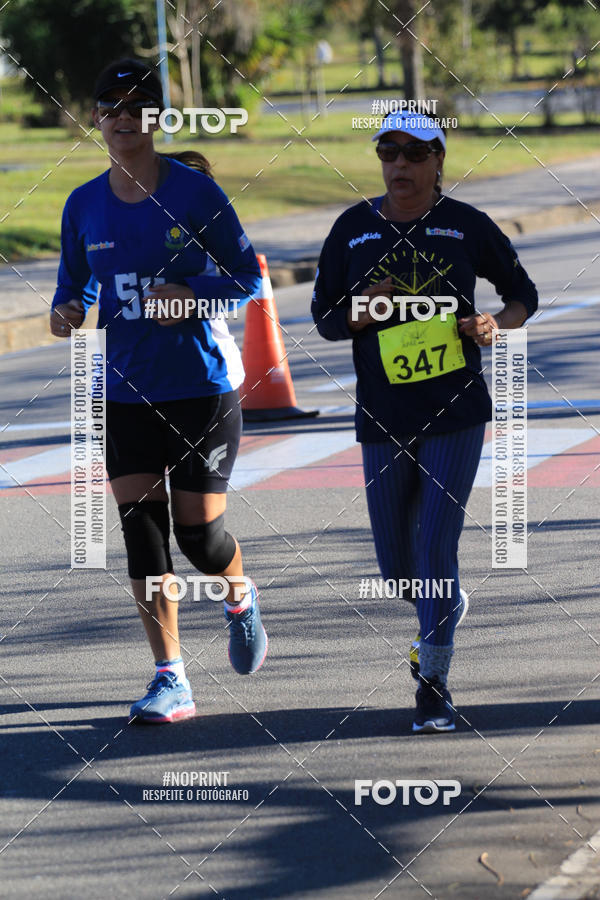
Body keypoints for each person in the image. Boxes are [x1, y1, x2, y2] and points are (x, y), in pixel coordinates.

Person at [50, 58, 268, 724]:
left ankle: (239, 596)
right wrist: (65, 311)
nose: (123, 116)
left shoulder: (197, 195)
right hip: (124, 393)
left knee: (199, 538)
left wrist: (189, 294)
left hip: (201, 388)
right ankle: (170, 677)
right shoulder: (82, 204)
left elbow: (248, 278)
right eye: (110, 105)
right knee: (143, 537)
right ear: (96, 118)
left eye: (137, 104)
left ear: (157, 118)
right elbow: (73, 285)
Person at [311, 111, 537, 733]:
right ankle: (445, 602)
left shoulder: (466, 224)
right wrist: (360, 312)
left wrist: (495, 325)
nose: (401, 165)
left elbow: (522, 293)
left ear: (439, 160)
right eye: (389, 152)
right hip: (383, 415)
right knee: (396, 568)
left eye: (415, 153)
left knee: (437, 546)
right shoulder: (353, 228)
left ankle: (432, 683)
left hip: (456, 410)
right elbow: (325, 318)